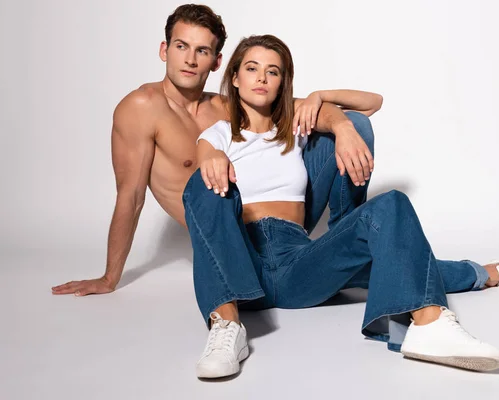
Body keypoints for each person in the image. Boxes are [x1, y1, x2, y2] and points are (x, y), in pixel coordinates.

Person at [185, 34, 499, 378]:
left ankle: (461, 300)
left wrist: (326, 106)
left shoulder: (296, 131)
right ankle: (226, 326)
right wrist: (213, 158)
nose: (262, 78)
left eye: (274, 71)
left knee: (393, 207)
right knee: (200, 184)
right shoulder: (217, 134)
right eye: (252, 68)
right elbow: (205, 159)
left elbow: (372, 104)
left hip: (299, 263)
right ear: (234, 77)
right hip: (242, 262)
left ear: (284, 82)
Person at [50, 4, 377, 297]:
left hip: (287, 222)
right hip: (234, 237)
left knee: (353, 127)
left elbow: (323, 109)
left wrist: (339, 121)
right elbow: (131, 195)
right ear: (164, 50)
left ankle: (346, 240)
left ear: (218, 61)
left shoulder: (230, 105)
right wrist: (110, 277)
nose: (190, 59)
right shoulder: (141, 108)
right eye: (181, 47)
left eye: (202, 50)